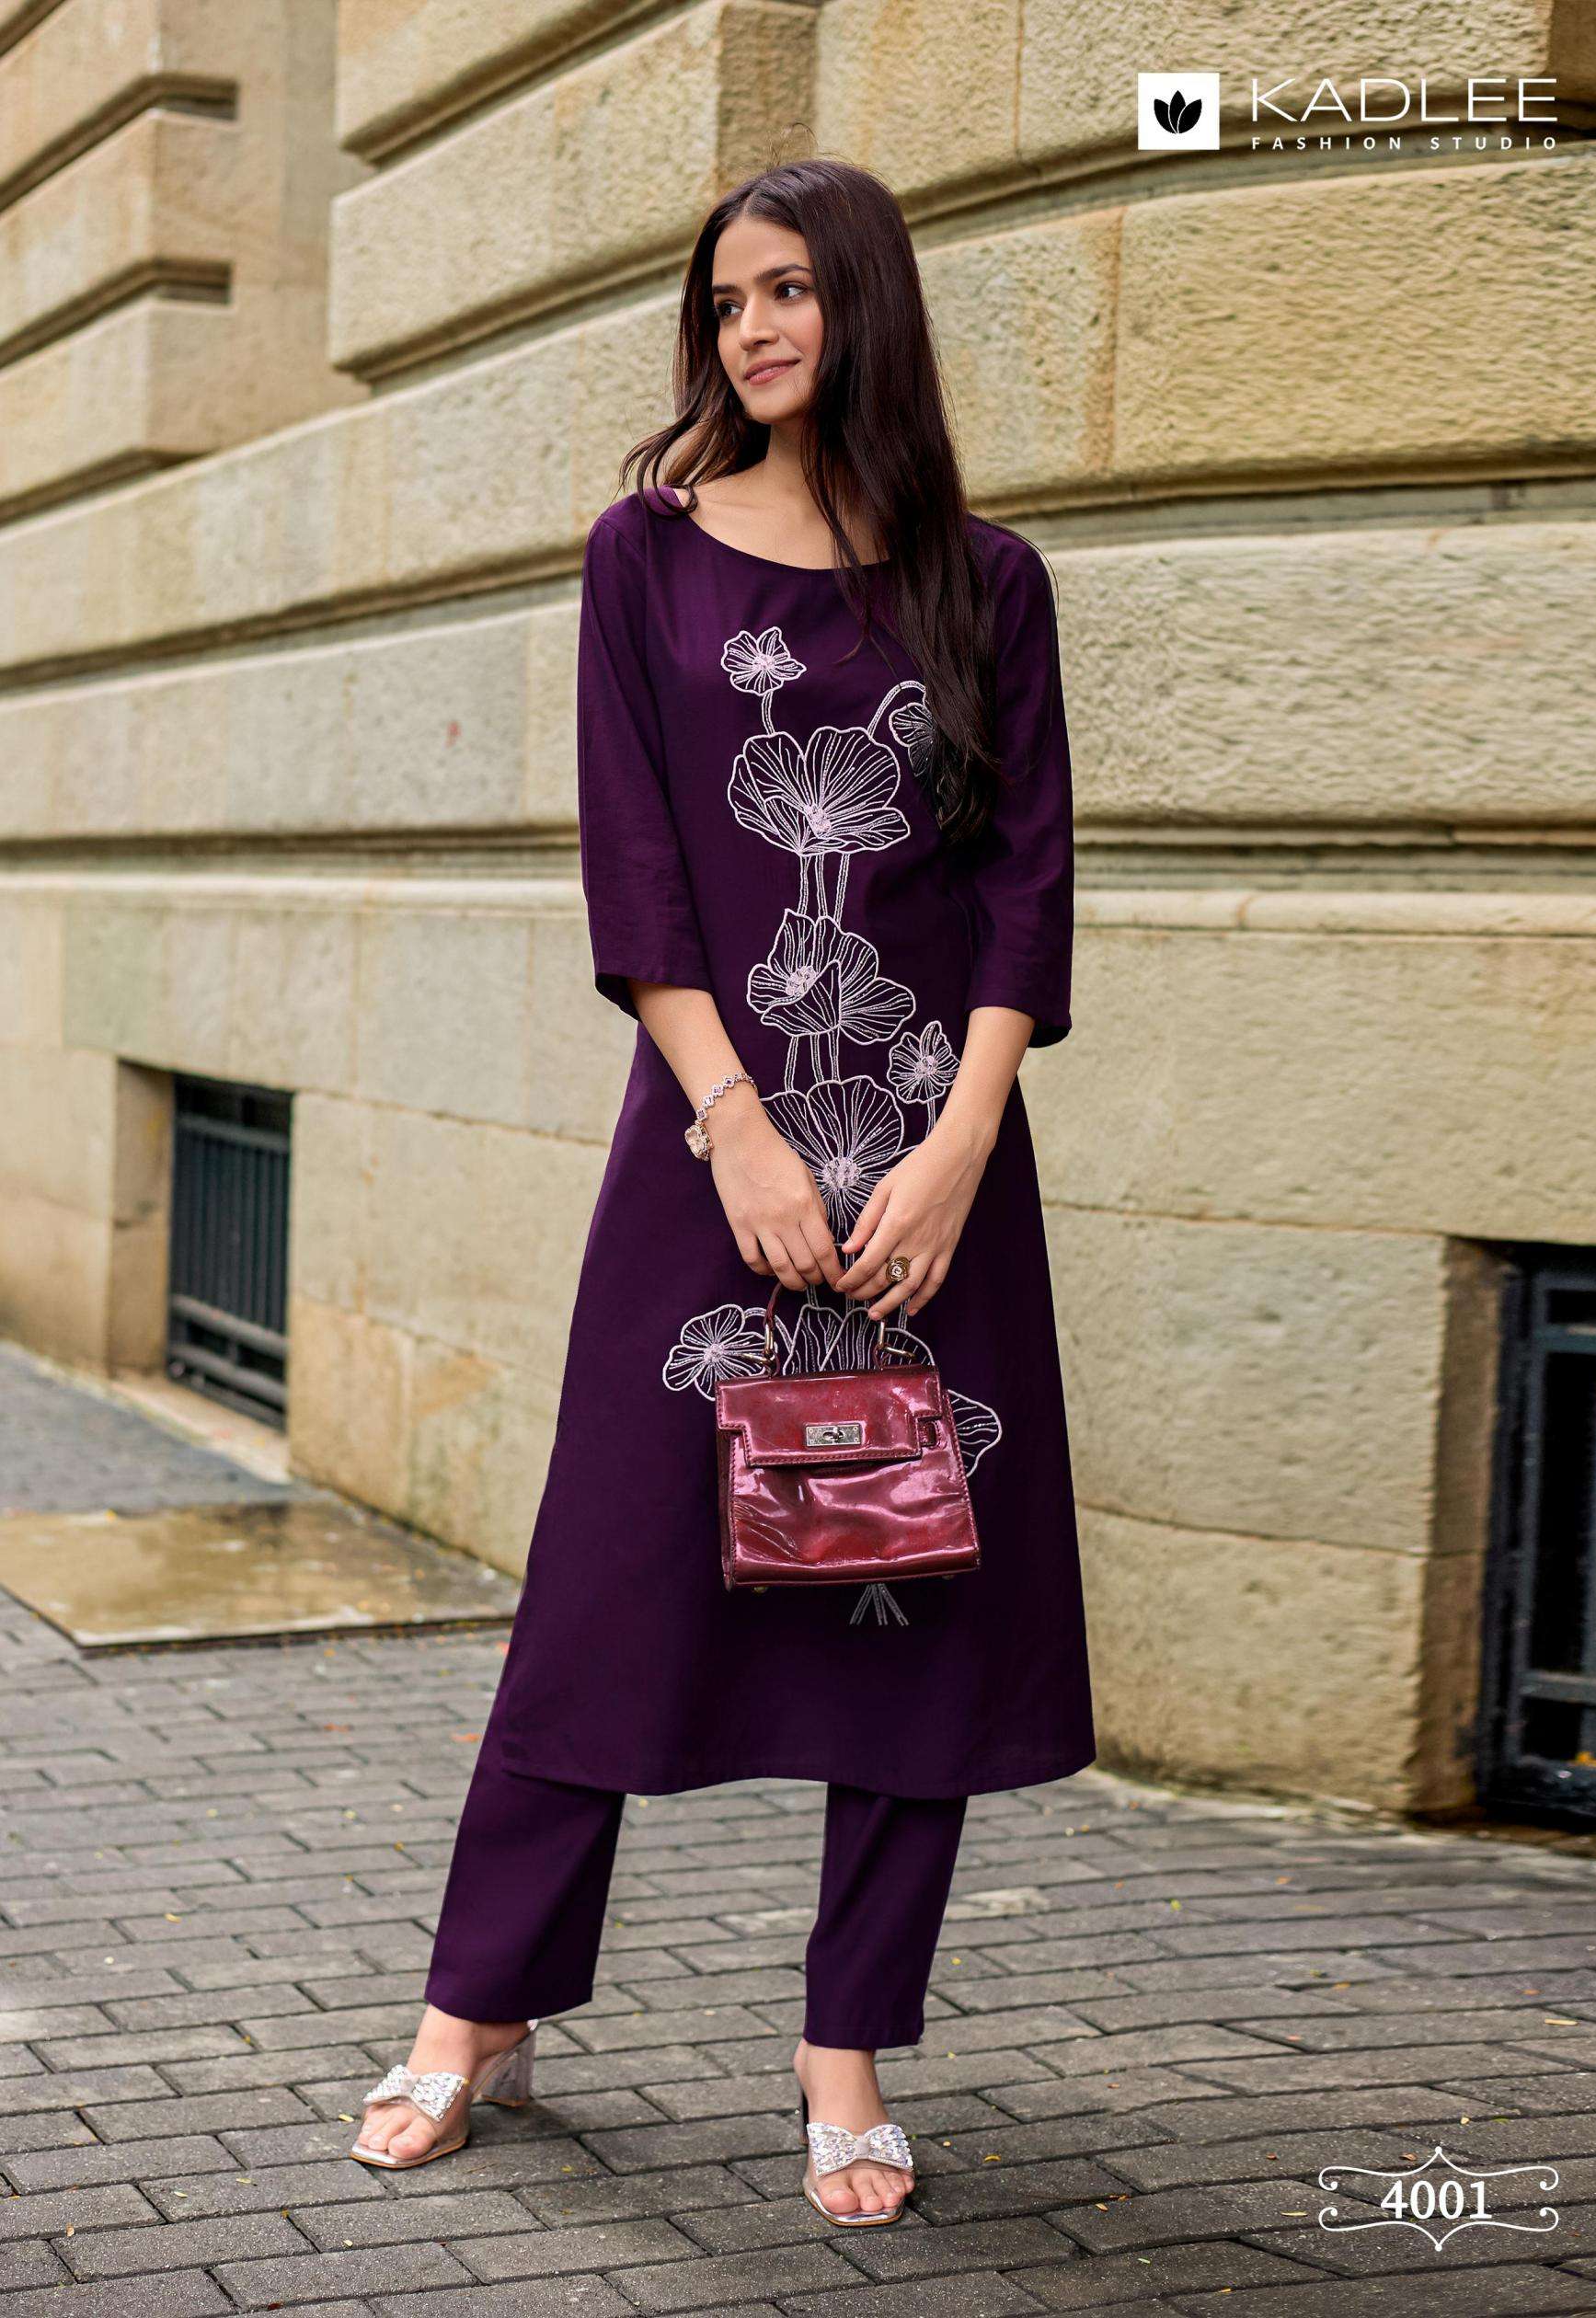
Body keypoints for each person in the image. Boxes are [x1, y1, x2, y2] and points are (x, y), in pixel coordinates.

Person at [348, 153, 1096, 2228]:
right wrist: (736, 1127)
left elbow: (1026, 880)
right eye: (725, 300)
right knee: (610, 1576)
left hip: (934, 1168)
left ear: (864, 306)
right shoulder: (646, 559)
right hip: (714, 1149)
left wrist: (959, 1143)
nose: (751, 328)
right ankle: (477, 2007)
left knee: (916, 1582)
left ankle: (844, 2049)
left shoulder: (987, 581)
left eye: (787, 291)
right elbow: (640, 865)